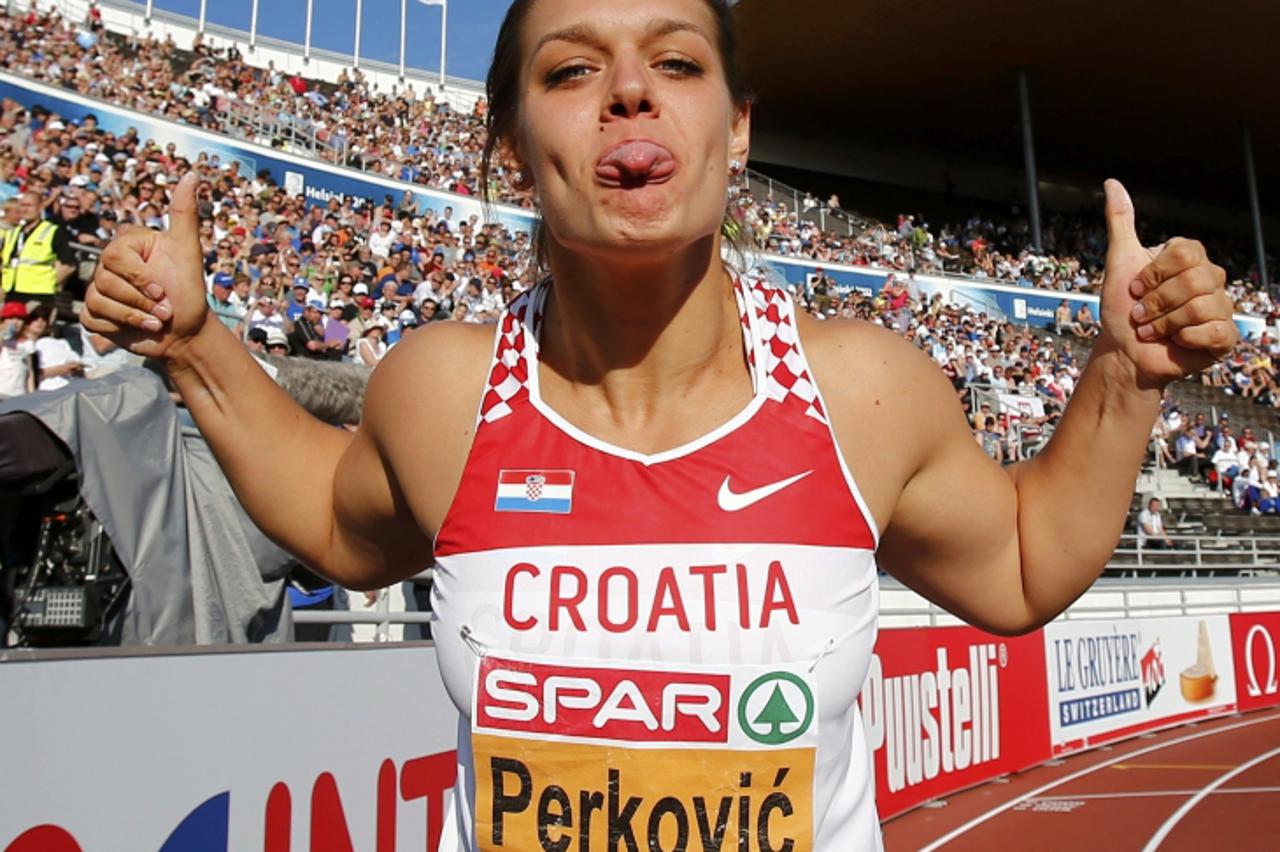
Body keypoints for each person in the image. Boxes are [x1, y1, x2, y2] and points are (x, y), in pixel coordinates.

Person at [80, 0, 1237, 846]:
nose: (629, 93)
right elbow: (339, 525)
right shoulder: (441, 391)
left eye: (673, 62)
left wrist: (1124, 380)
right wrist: (192, 347)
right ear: (507, 150)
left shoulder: (860, 391)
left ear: (736, 133)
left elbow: (1022, 565)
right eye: (571, 70)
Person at [1, 191, 78, 306]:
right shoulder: (12, 233)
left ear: (40, 207)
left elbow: (69, 265)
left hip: (38, 295)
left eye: (29, 205)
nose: (24, 209)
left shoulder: (52, 231)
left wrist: (49, 282)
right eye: (22, 205)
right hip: (11, 292)